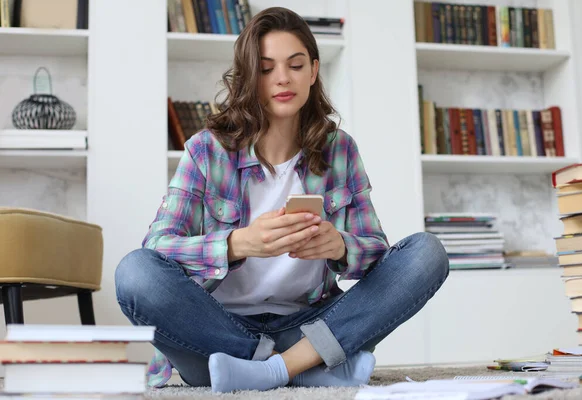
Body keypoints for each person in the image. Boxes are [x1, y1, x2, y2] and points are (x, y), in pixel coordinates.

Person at [115, 6, 449, 394]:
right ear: (249, 76)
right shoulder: (206, 150)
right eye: (266, 68)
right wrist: (240, 243)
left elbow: (378, 255)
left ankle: (279, 368)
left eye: (295, 64)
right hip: (217, 333)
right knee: (134, 273)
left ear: (313, 71)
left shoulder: (339, 150)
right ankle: (291, 367)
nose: (282, 79)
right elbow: (156, 247)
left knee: (427, 253)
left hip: (310, 328)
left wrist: (340, 247)